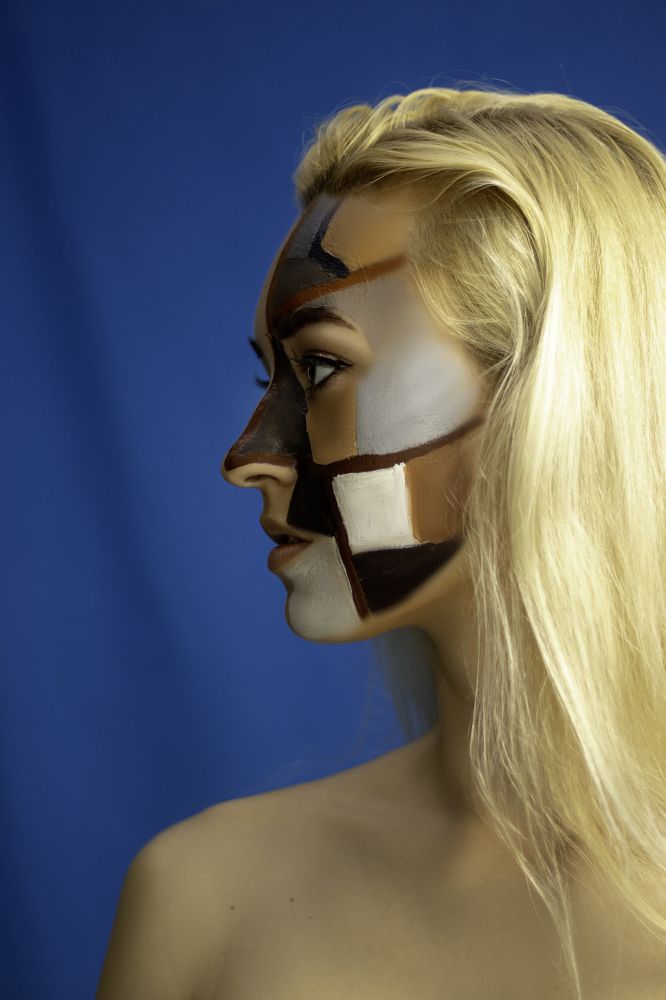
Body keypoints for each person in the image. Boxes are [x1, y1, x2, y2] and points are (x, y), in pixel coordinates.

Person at [97, 85, 666, 999]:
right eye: (272, 376)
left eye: (321, 367)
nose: (247, 460)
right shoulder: (199, 896)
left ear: (552, 392)